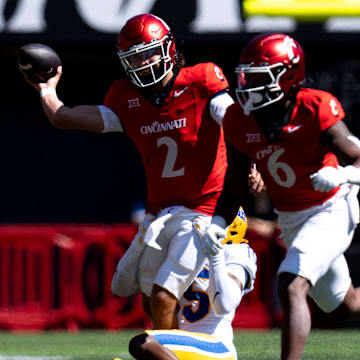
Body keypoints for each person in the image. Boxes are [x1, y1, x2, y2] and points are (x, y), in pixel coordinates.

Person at [22, 13, 262, 330]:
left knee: (166, 296)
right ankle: (172, 350)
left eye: (148, 53)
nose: (142, 63)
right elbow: (64, 117)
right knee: (150, 300)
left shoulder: (201, 80)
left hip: (206, 210)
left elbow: (232, 117)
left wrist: (253, 157)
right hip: (160, 215)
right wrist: (46, 89)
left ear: (169, 49)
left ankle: (165, 348)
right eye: (133, 58)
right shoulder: (126, 98)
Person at [201, 33, 360, 360]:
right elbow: (235, 186)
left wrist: (342, 173)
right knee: (344, 306)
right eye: (245, 76)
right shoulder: (238, 119)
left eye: (257, 77)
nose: (246, 85)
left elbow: (357, 155)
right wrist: (217, 222)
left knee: (291, 282)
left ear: (286, 77)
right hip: (291, 217)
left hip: (331, 207)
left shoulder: (314, 106)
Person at [112, 207, 257, 360]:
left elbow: (223, 306)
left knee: (143, 343)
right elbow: (120, 288)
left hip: (216, 347)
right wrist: (139, 240)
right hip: (178, 347)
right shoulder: (179, 248)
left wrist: (215, 254)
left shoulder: (237, 251)